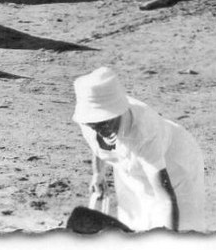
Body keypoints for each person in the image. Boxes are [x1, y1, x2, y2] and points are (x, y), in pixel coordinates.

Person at [71, 65, 207, 233]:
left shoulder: (144, 131)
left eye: (105, 121)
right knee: (135, 222)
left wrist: (171, 242)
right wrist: (98, 173)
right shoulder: (89, 123)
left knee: (180, 227)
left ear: (118, 111)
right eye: (94, 124)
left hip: (175, 162)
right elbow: (97, 144)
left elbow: (166, 198)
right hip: (130, 165)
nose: (100, 128)